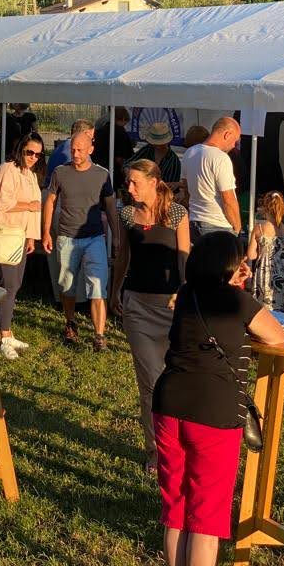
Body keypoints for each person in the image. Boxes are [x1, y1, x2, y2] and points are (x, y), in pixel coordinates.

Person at [151, 233, 284, 566]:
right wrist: (239, 288)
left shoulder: (186, 295)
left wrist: (234, 279)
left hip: (168, 405)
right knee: (205, 519)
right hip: (213, 413)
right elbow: (276, 335)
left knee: (177, 511)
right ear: (230, 266)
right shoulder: (237, 301)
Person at [110, 161, 190, 473]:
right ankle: (156, 450)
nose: (129, 188)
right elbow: (123, 255)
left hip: (171, 307)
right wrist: (114, 290)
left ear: (154, 182)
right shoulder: (127, 215)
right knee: (151, 383)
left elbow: (184, 260)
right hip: (138, 307)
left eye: (134, 183)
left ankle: (182, 443)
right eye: (127, 182)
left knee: (176, 380)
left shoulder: (177, 214)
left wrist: (186, 294)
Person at [42, 131, 120, 348]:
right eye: (73, 149)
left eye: (80, 150)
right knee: (67, 285)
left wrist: (116, 236)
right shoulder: (60, 172)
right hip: (67, 237)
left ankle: (99, 335)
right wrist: (46, 232)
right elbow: (50, 201)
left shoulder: (102, 174)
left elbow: (110, 206)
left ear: (91, 150)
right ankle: (70, 321)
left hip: (95, 237)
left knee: (98, 285)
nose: (75, 154)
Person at [0, 132, 45, 360]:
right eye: (30, 152)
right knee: (9, 284)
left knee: (15, 284)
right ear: (21, 150)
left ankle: (6, 331)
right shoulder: (7, 170)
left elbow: (35, 210)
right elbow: (2, 203)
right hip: (3, 232)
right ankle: (3, 335)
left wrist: (31, 237)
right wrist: (29, 205)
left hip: (19, 234)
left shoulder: (30, 174)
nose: (33, 157)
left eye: (38, 154)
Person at [180, 117, 242, 242]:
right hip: (218, 224)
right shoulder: (221, 158)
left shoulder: (189, 153)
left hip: (195, 221)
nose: (233, 146)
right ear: (227, 134)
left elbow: (186, 189)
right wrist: (237, 227)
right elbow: (228, 199)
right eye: (235, 141)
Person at [247, 190, 284, 313]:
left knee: (265, 308)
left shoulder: (259, 229)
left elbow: (251, 255)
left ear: (265, 209)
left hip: (265, 273)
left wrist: (262, 252)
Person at [92, 107, 135, 191]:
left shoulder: (101, 129)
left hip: (97, 168)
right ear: (123, 119)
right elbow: (120, 157)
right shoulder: (120, 132)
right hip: (113, 172)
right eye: (125, 122)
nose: (125, 125)